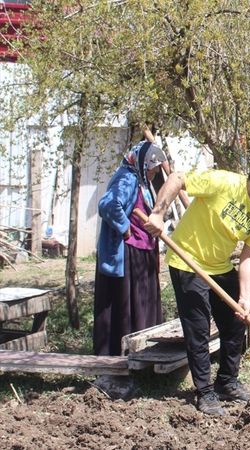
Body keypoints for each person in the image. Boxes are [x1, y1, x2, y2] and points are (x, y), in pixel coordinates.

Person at [144, 154, 250, 416]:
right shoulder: (225, 182)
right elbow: (177, 178)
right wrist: (158, 213)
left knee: (236, 322)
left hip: (219, 266)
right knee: (199, 330)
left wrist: (246, 297)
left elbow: (249, 255)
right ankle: (204, 392)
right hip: (187, 261)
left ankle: (227, 381)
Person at [94, 141, 167, 356]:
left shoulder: (140, 180)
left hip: (142, 252)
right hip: (128, 253)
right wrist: (125, 229)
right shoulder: (126, 177)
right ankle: (121, 354)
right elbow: (108, 204)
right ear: (144, 164)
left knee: (141, 303)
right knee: (126, 306)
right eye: (153, 169)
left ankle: (143, 351)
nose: (154, 173)